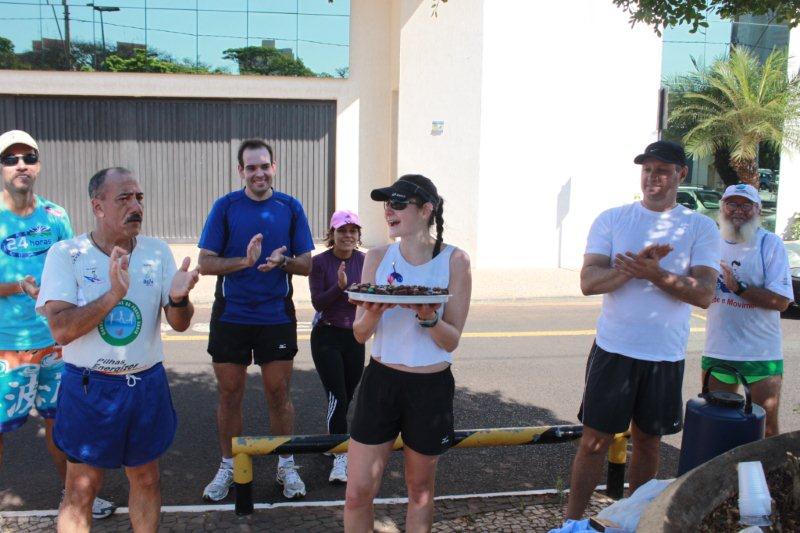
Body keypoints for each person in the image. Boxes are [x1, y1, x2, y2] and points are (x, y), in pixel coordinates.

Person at [36, 167, 199, 532]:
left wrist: (179, 298)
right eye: (124, 198)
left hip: (145, 383)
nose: (135, 206)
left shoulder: (157, 252)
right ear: (98, 207)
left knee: (147, 478)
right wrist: (113, 295)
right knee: (82, 487)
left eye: (139, 197)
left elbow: (179, 323)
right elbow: (61, 330)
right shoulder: (67, 254)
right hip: (89, 386)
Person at [565, 140, 721, 520]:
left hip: (664, 354)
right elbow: (588, 281)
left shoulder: (700, 226)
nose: (653, 177)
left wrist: (655, 273)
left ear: (681, 174)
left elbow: (704, 294)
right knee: (594, 442)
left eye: (662, 170)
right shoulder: (613, 219)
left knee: (649, 442)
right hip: (613, 349)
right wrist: (633, 270)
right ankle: (572, 522)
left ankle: (636, 521)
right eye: (648, 169)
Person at [344, 175, 472, 533]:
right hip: (381, 381)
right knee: (356, 493)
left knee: (419, 492)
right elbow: (359, 333)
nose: (389, 211)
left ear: (426, 209)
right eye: (387, 204)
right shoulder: (377, 256)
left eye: (398, 204)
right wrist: (374, 311)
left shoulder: (455, 260)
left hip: (429, 387)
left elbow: (451, 341)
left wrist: (428, 317)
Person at [0, 130, 116, 519]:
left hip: (55, 341)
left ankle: (75, 495)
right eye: (11, 159)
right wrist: (18, 287)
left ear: (38, 165)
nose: (21, 166)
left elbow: (74, 265)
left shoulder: (55, 215)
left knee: (62, 424)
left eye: (28, 158)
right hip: (6, 344)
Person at [198, 139, 315, 501]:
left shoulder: (290, 207)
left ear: (273, 167)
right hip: (231, 315)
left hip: (275, 315)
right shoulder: (225, 206)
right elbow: (205, 263)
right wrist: (244, 262)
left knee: (278, 394)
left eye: (264, 166)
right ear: (241, 171)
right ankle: (229, 465)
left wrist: (283, 262)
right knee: (229, 394)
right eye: (251, 167)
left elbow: (306, 264)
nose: (258, 173)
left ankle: (286, 464)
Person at [702, 183, 792, 437]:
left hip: (761, 354)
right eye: (732, 203)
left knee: (766, 428)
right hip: (718, 350)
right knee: (716, 425)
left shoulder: (769, 244)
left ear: (758, 210)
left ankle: (768, 467)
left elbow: (782, 301)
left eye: (746, 205)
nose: (738, 210)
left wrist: (739, 288)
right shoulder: (709, 243)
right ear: (722, 207)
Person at [309, 210, 366, 484]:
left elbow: (371, 294)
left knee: (348, 395)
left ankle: (334, 439)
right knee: (338, 397)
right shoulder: (319, 263)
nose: (348, 235)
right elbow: (318, 302)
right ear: (332, 234)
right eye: (342, 230)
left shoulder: (365, 261)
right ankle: (340, 456)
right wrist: (340, 287)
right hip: (327, 336)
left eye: (353, 231)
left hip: (354, 336)